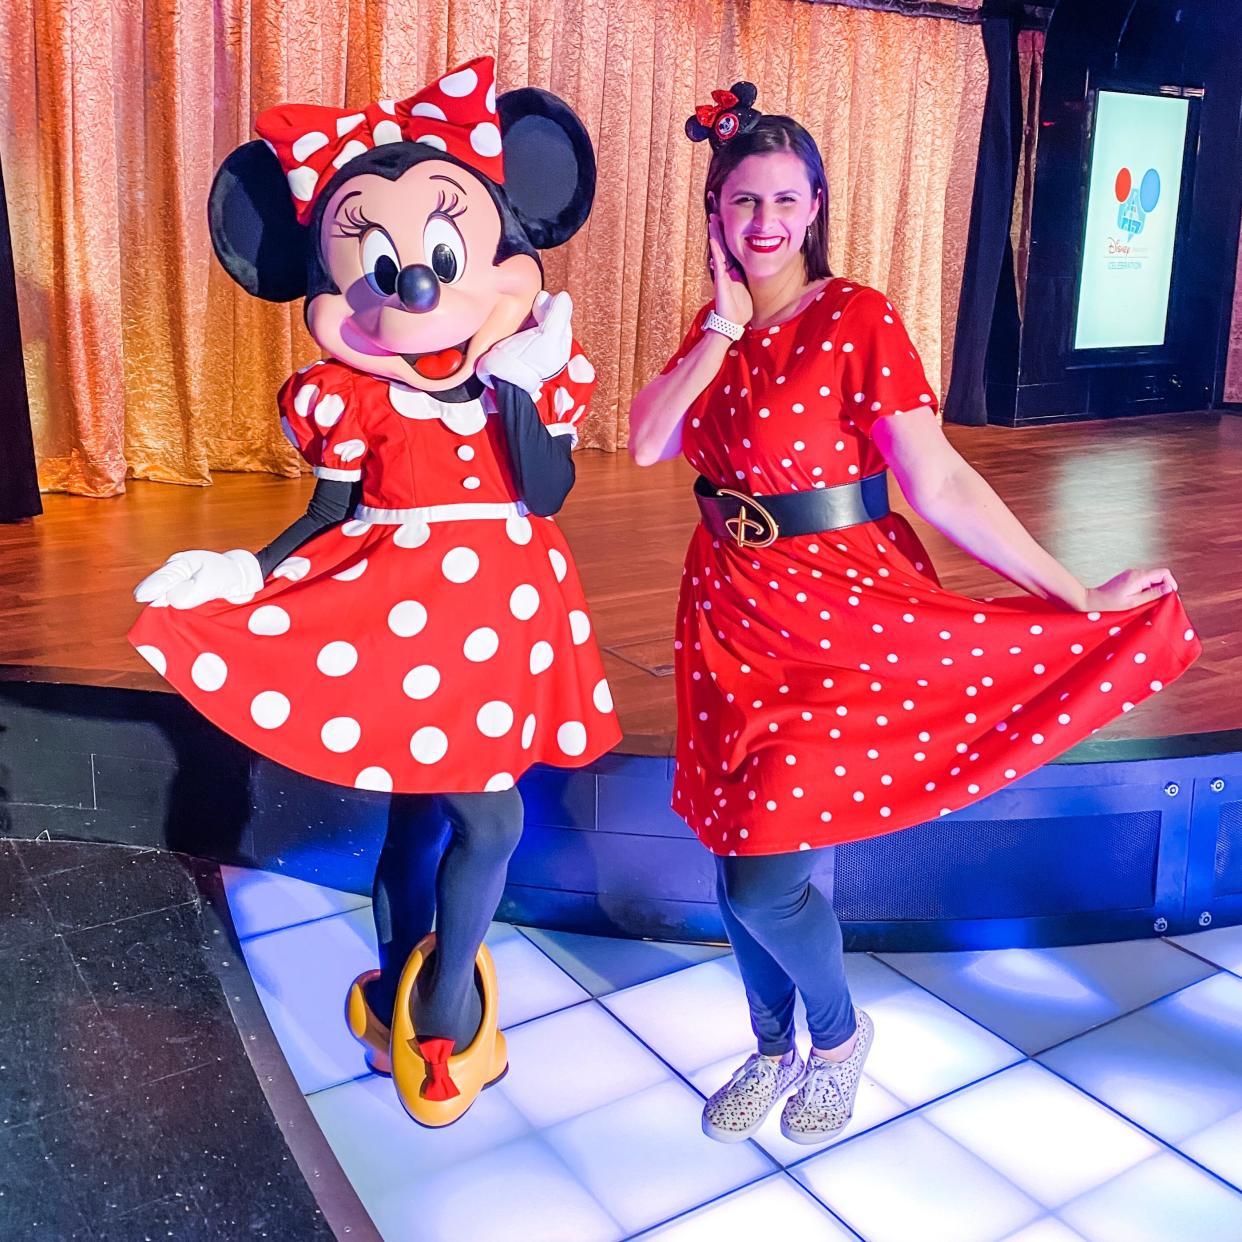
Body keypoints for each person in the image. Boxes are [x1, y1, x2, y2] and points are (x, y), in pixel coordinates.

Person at [628, 81, 1201, 1146]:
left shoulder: (857, 316)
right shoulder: (711, 332)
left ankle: (838, 1042)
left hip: (839, 609)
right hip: (724, 609)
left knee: (760, 872)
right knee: (735, 850)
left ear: (816, 207)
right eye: (743, 202)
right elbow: (651, 442)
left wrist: (1070, 592)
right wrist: (718, 324)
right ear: (715, 214)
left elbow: (937, 482)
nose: (764, 224)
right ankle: (768, 1048)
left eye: (785, 201)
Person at [130, 57, 620, 1127]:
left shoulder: (525, 378)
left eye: (442, 255)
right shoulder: (350, 399)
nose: (414, 287)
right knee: (433, 818)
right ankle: (431, 1015)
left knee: (475, 822)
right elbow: (327, 515)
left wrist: (523, 393)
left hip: (505, 618)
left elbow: (544, 496)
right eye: (381, 263)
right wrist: (241, 572)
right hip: (399, 620)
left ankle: (423, 998)